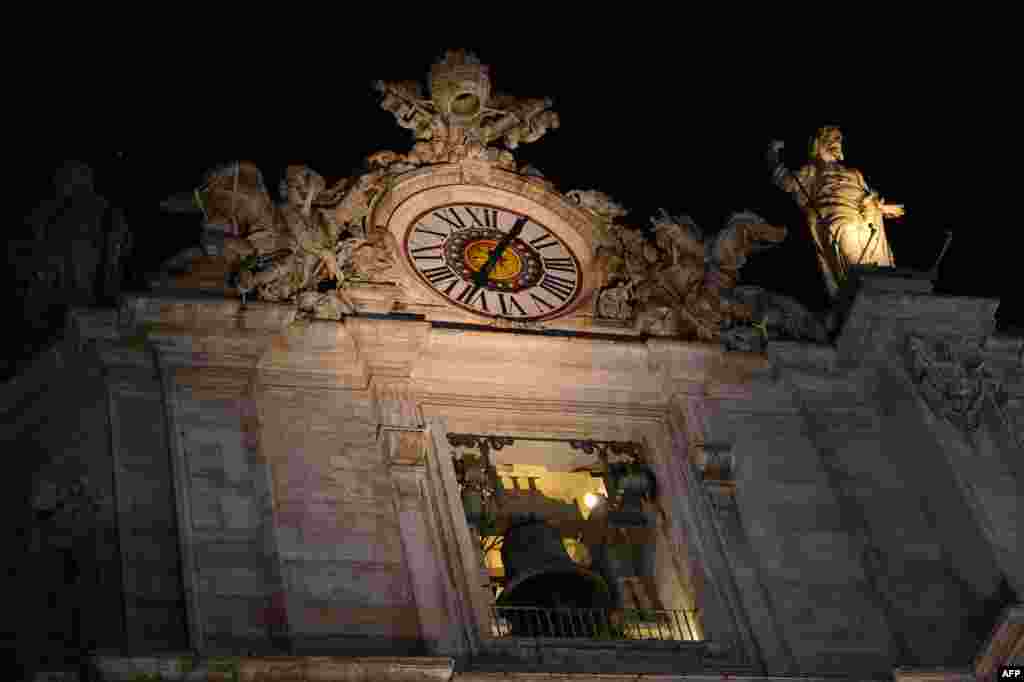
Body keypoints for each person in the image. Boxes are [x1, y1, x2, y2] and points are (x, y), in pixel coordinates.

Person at [769, 126, 905, 298]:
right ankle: (860, 290)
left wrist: (883, 207)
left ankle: (882, 286)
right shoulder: (811, 171)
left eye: (839, 139)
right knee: (847, 231)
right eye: (833, 138)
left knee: (871, 232)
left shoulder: (854, 173)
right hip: (836, 215)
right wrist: (772, 154)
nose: (838, 143)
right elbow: (782, 179)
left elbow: (868, 194)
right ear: (820, 144)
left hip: (864, 212)